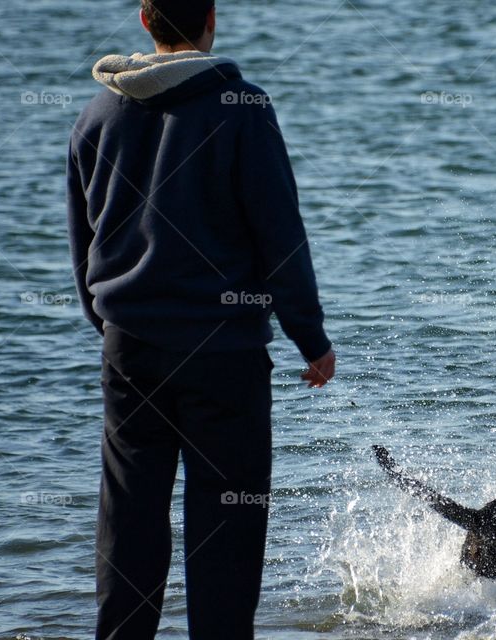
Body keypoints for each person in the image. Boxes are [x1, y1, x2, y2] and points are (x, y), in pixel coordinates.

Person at [66, 1, 335, 637]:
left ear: (144, 20)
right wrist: (311, 338)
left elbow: (84, 242)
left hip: (129, 346)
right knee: (228, 519)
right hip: (224, 352)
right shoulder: (242, 107)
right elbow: (279, 234)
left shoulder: (96, 113)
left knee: (129, 515)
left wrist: (105, 324)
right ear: (210, 19)